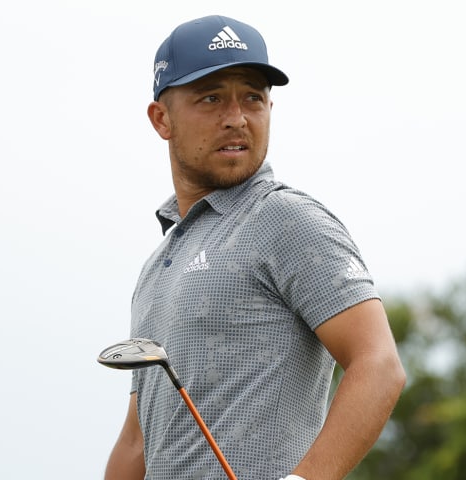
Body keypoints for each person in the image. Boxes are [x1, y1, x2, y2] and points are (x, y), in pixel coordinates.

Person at [104, 15, 406, 480]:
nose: (236, 118)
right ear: (161, 119)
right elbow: (136, 438)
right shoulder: (157, 266)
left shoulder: (286, 219)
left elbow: (379, 364)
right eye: (211, 98)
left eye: (253, 97)